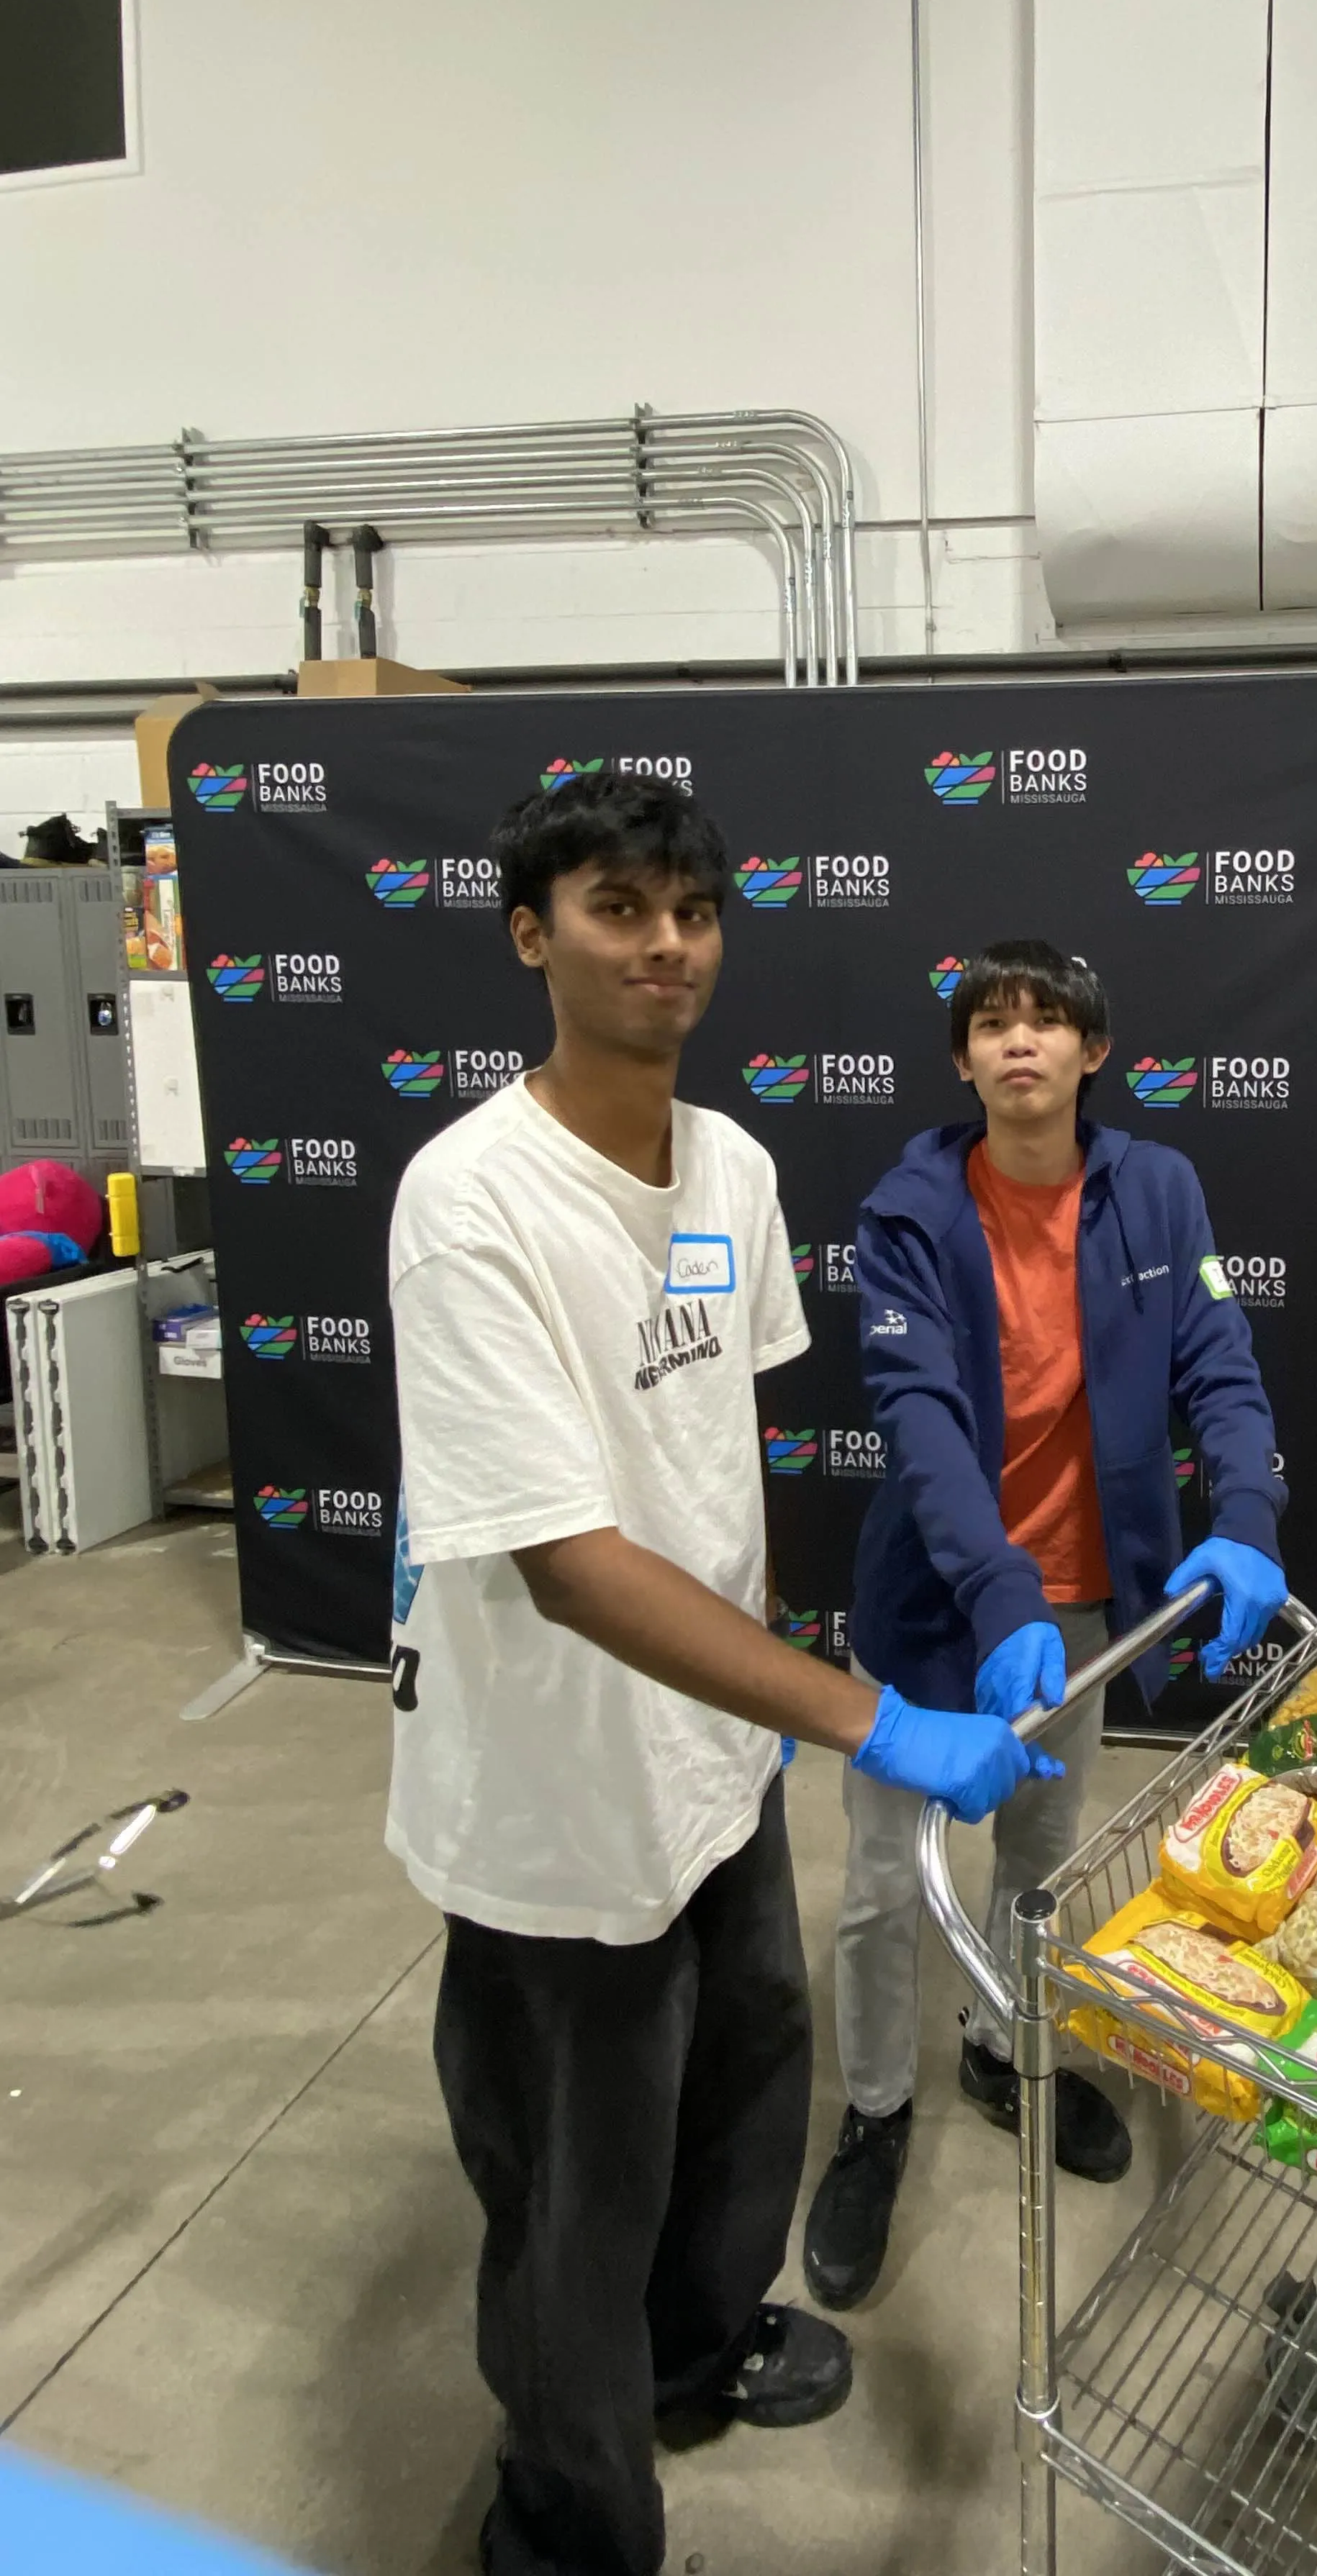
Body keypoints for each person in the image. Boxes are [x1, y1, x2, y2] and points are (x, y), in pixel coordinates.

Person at [385, 774, 1047, 2576]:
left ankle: (696, 2348)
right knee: (571, 2195)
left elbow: (704, 1457)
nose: (666, 945)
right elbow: (571, 1560)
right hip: (555, 1797)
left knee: (744, 2082)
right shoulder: (472, 1205)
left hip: (714, 1760)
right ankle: (568, 2524)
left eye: (689, 910)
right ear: (534, 934)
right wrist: (870, 1713)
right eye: (617, 908)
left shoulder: (735, 1168)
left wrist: (777, 1707)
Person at [800, 938, 1288, 2310]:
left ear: (1094, 1051)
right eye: (993, 1024)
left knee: (1040, 1857)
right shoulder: (909, 1212)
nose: (1022, 1042)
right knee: (889, 1880)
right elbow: (923, 1427)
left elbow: (1221, 1366)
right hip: (932, 1605)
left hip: (1087, 1612)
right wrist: (997, 1591)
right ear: (962, 1062)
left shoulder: (1158, 1192)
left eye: (1049, 1020)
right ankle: (878, 2112)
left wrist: (1244, 1516)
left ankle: (998, 2043)